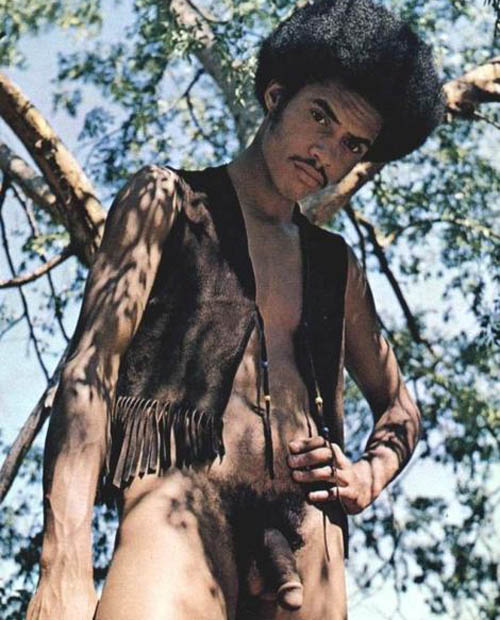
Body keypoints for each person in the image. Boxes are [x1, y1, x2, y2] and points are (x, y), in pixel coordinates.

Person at [27, 1, 443, 618]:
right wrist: (62, 561)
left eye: (351, 145)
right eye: (319, 116)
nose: (327, 152)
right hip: (181, 509)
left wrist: (366, 477)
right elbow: (90, 372)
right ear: (275, 97)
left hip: (310, 537)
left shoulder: (338, 267)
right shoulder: (166, 200)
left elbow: (400, 407)